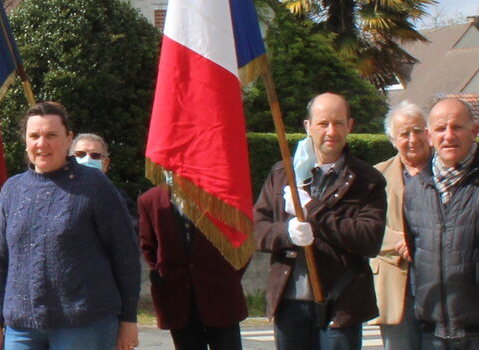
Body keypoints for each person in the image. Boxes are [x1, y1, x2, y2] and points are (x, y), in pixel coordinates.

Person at [0, 102, 141, 350]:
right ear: (25, 141)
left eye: (51, 135)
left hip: (84, 326)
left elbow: (125, 255)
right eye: (34, 136)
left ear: (69, 139)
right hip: (21, 329)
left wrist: (129, 319)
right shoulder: (12, 190)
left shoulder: (95, 186)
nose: (41, 144)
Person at [251, 93, 387, 350]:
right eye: (323, 123)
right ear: (307, 126)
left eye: (339, 123)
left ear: (350, 126)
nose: (331, 131)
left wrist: (311, 209)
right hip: (289, 302)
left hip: (342, 304)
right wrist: (286, 233)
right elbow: (256, 230)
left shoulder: (367, 180)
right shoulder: (283, 173)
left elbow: (369, 239)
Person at [408, 99, 479, 349]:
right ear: (428, 136)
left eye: (458, 127)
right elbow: (415, 252)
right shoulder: (414, 188)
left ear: (475, 131)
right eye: (440, 129)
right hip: (432, 332)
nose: (449, 136)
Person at [139, 181, 247, 350]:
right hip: (178, 299)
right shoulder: (150, 200)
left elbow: (243, 240)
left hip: (221, 296)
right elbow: (148, 246)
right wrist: (161, 276)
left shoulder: (222, 195)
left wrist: (230, 275)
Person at [372, 101, 430, 350]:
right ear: (393, 140)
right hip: (396, 283)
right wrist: (400, 241)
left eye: (418, 130)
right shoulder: (376, 176)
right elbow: (367, 224)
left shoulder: (446, 171)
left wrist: (419, 242)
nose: (412, 138)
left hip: (439, 281)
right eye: (404, 133)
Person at [72, 133, 136, 218]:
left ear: (105, 164)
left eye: (95, 156)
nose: (87, 159)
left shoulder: (119, 199)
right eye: (80, 154)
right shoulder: (55, 193)